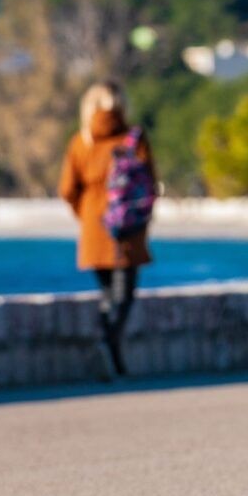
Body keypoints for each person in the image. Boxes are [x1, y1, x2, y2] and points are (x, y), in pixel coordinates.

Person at [59, 80, 155, 375]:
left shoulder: (81, 141)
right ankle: (108, 342)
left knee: (107, 294)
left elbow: (66, 189)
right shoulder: (133, 139)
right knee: (123, 295)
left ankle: (107, 344)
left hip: (93, 227)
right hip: (128, 229)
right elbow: (150, 185)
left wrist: (86, 215)